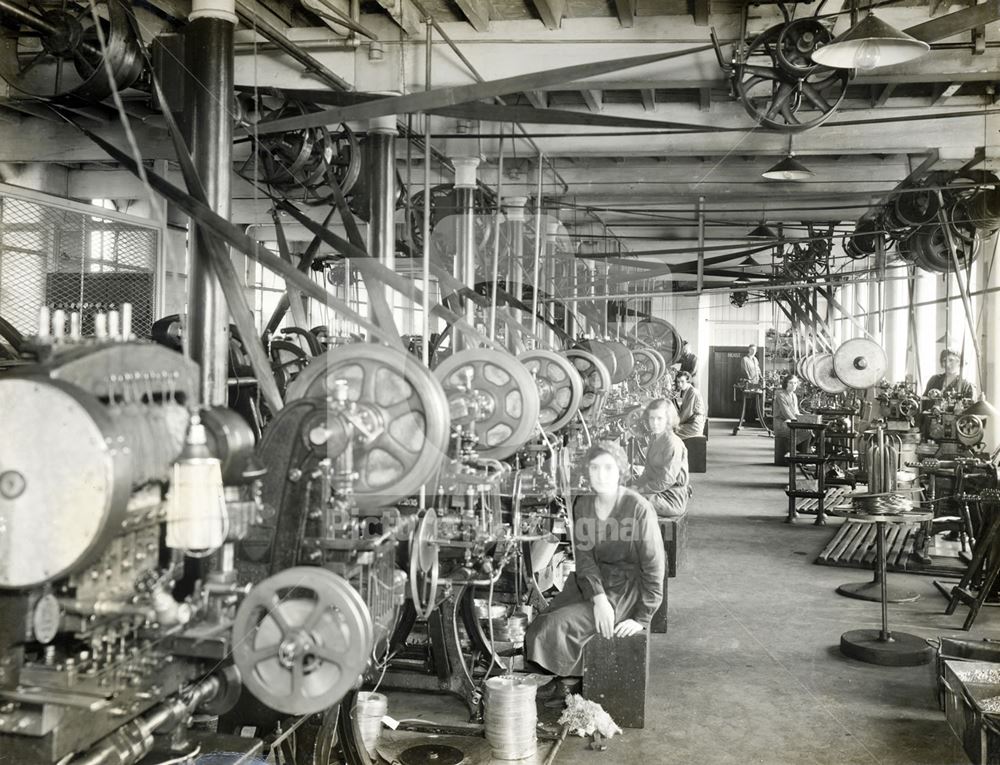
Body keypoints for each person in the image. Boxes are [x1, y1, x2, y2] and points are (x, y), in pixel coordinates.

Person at [524, 441, 664, 680]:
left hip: (626, 591)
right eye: (595, 468)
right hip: (591, 583)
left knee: (554, 627)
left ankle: (570, 683)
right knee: (542, 621)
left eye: (608, 468)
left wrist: (642, 618)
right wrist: (599, 600)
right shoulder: (584, 503)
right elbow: (585, 558)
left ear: (620, 470)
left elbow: (654, 566)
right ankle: (565, 678)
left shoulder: (638, 508)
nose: (601, 475)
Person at [633, 399, 691, 517]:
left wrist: (640, 490)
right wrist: (635, 485)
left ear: (668, 420)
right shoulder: (654, 438)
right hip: (657, 491)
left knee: (628, 501)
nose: (655, 423)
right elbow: (648, 472)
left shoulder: (672, 443)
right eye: (651, 418)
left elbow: (666, 480)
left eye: (660, 418)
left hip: (671, 498)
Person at [772, 375, 812, 452]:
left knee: (811, 431)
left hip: (791, 423)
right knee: (807, 432)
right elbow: (786, 413)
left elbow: (796, 412)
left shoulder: (794, 395)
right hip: (782, 425)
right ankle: (795, 451)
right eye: (791, 383)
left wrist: (806, 419)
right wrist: (800, 421)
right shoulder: (781, 395)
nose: (793, 385)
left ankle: (802, 454)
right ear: (786, 383)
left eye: (795, 383)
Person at [674, 371, 706, 438]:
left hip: (694, 425)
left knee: (671, 431)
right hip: (690, 422)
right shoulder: (686, 391)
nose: (679, 384)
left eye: (682, 381)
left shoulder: (692, 392)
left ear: (688, 381)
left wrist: (673, 423)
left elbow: (686, 414)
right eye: (678, 382)